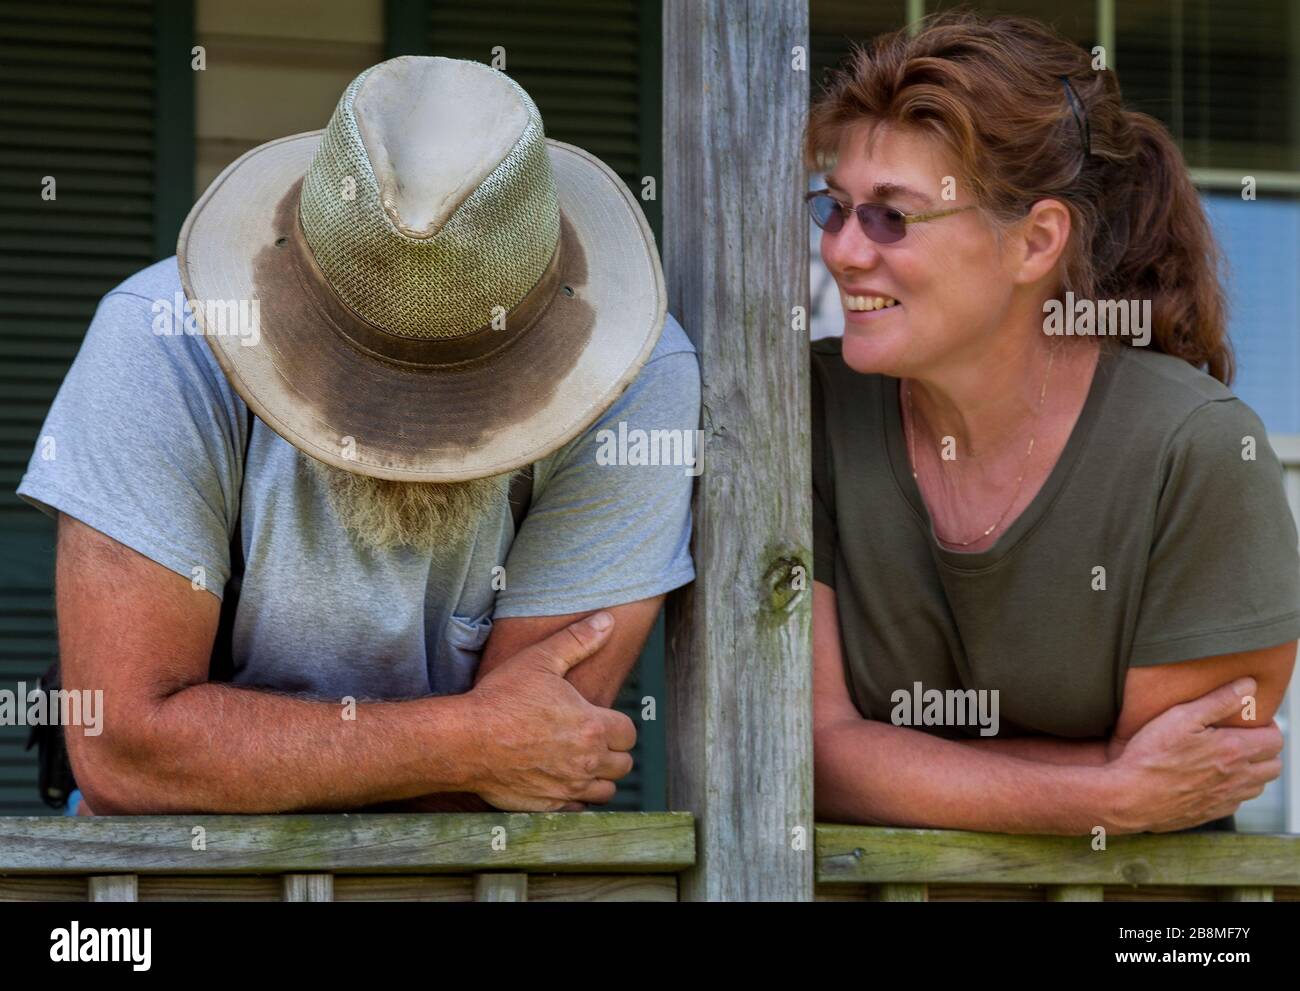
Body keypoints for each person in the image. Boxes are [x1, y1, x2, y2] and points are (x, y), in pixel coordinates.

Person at [18, 56, 699, 815]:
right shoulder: (160, 340)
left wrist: (232, 752)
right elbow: (123, 750)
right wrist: (467, 741)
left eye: (447, 386)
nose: (404, 427)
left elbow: (539, 761)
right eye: (374, 382)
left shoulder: (633, 376)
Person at [808, 12, 1299, 834]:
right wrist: (1104, 790)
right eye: (836, 208)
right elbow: (810, 753)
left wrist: (889, 760)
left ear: (1035, 242)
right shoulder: (810, 408)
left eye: (892, 216)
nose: (844, 252)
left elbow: (1197, 775)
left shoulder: (1196, 448)